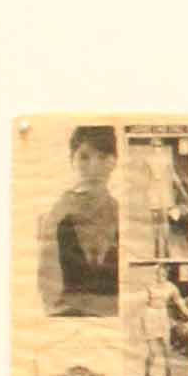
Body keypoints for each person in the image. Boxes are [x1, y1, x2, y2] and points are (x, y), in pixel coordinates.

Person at [44, 123, 121, 312]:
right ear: (72, 160)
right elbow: (48, 293)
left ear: (114, 161)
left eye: (103, 157)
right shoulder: (58, 213)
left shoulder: (120, 211)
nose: (94, 167)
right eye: (84, 157)